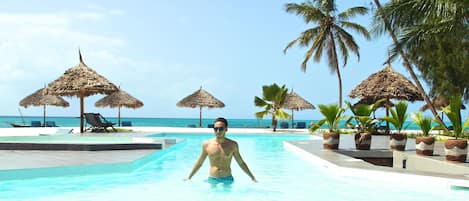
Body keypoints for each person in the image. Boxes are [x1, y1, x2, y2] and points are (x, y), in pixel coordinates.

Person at [186, 117, 257, 185]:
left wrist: (252, 177)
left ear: (226, 129)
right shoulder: (207, 145)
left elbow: (241, 163)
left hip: (227, 179)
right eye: (215, 129)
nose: (218, 131)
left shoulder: (233, 145)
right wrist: (189, 177)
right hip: (213, 179)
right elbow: (199, 163)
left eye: (221, 128)